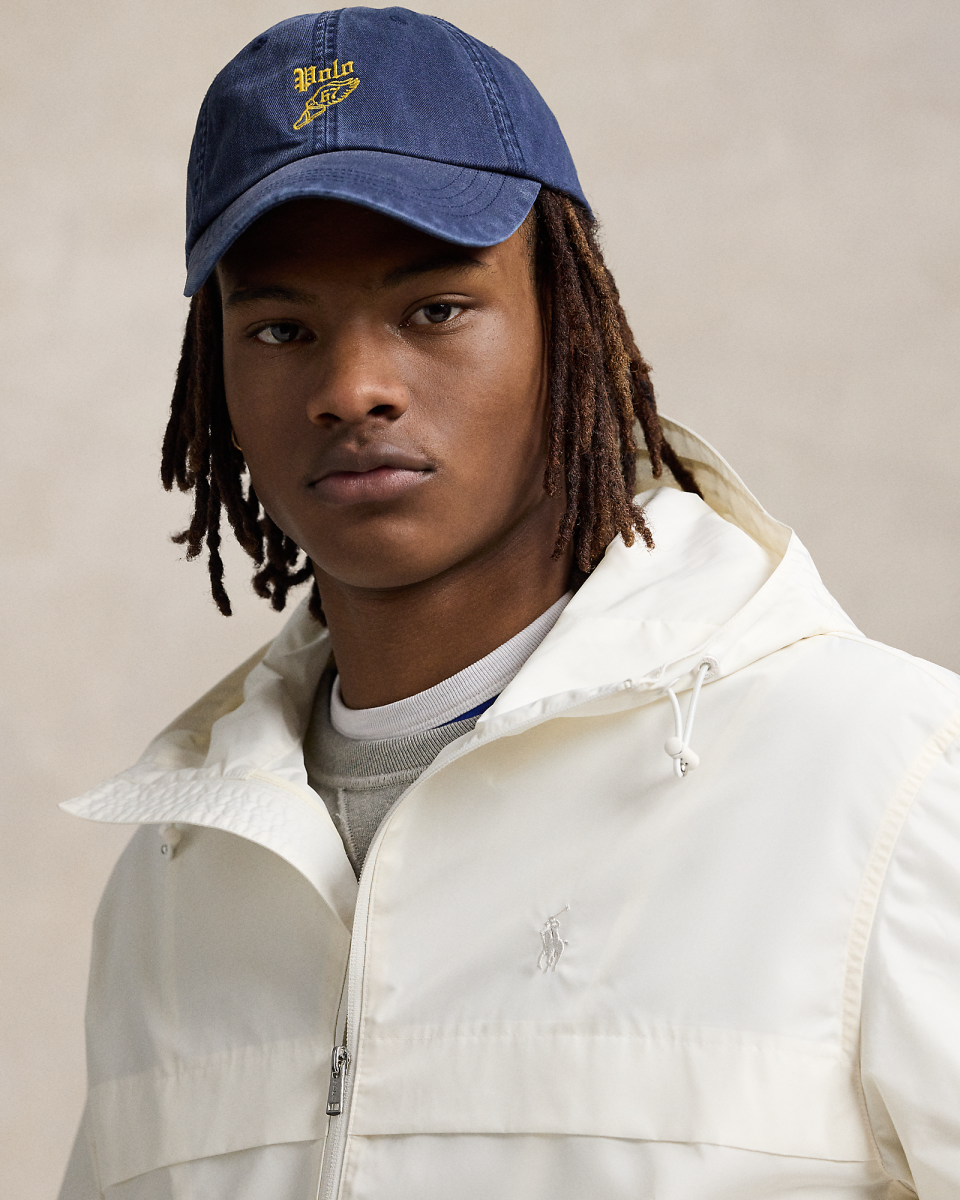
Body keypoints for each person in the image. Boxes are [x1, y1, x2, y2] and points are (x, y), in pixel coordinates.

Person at [59, 8, 960, 1200]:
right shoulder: (177, 882)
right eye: (280, 327)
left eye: (435, 309)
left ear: (570, 329)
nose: (352, 387)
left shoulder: (887, 780)